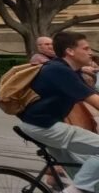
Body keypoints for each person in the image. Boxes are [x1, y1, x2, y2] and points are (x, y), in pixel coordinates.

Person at [17, 31, 99, 193]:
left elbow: (93, 94)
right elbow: (94, 100)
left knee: (82, 168)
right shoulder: (59, 71)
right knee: (83, 183)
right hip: (44, 127)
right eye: (86, 48)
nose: (90, 52)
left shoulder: (71, 70)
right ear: (70, 51)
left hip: (45, 125)